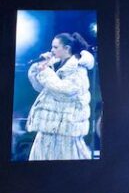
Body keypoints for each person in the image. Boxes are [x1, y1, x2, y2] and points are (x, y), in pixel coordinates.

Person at [26, 32, 95, 160]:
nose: (51, 50)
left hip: (65, 128)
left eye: (55, 47)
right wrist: (39, 69)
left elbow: (64, 91)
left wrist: (45, 72)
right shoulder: (56, 64)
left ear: (67, 48)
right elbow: (42, 88)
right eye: (52, 47)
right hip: (50, 127)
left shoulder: (77, 69)